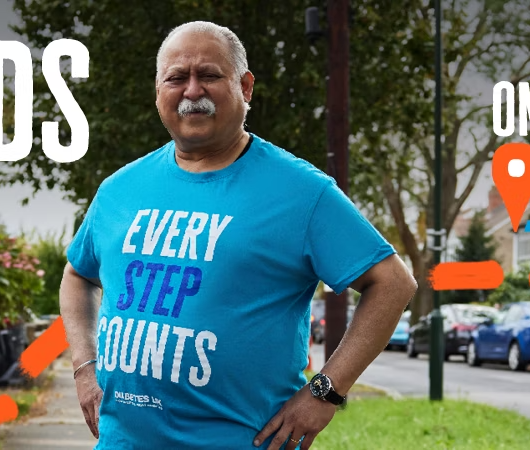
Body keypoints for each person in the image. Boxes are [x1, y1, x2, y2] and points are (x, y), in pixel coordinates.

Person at [58, 21, 418, 449]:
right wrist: (85, 366)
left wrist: (326, 391)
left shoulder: (302, 191)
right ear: (158, 91)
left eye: (209, 75)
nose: (192, 91)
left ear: (245, 87)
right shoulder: (120, 189)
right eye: (176, 78)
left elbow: (393, 283)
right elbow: (78, 275)